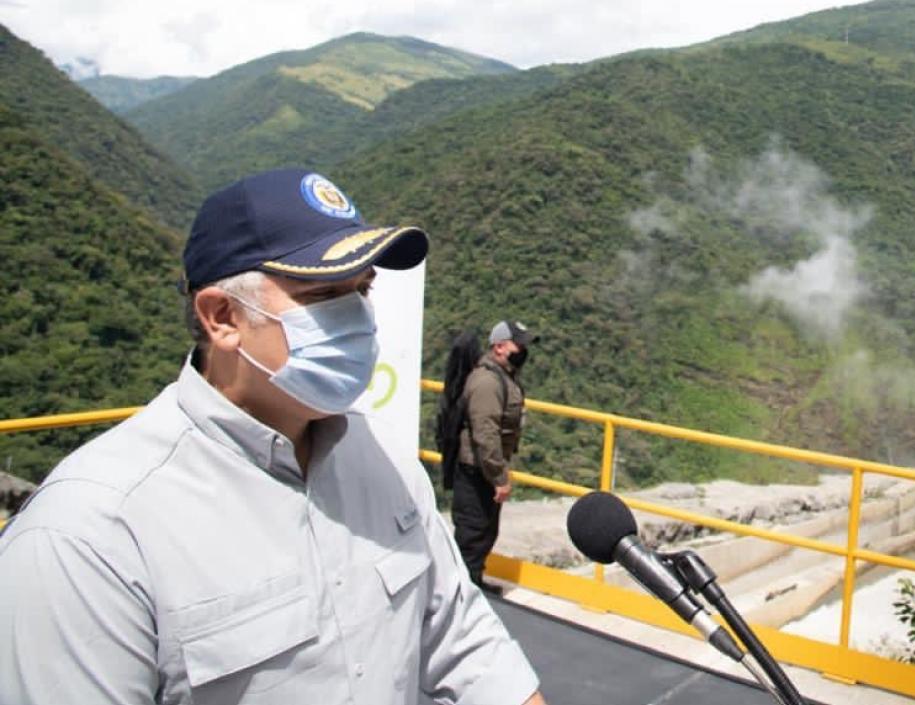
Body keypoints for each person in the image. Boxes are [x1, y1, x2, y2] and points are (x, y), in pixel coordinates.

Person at [0, 169, 545, 705]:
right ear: (222, 316)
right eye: (325, 295)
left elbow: (461, 633)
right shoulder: (89, 537)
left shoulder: (385, 461)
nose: (358, 317)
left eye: (362, 290)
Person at [453, 320, 535, 593]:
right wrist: (500, 477)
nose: (522, 350)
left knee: (486, 532)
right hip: (477, 470)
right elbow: (485, 434)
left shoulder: (504, 375)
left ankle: (474, 584)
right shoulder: (488, 381)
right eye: (518, 344)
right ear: (499, 347)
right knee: (472, 535)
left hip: (484, 469)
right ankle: (464, 594)